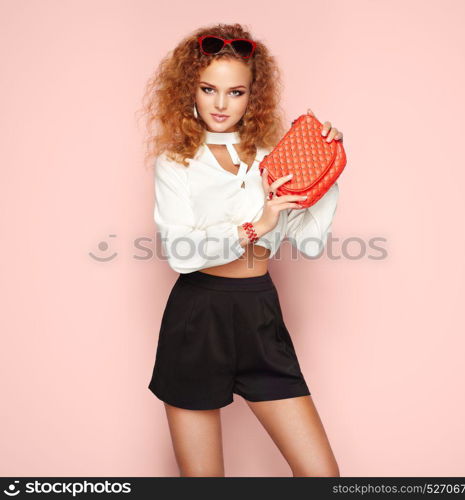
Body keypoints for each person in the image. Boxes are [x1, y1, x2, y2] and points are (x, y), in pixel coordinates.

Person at [141, 23, 344, 477]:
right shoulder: (175, 163)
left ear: (253, 96)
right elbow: (180, 252)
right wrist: (257, 225)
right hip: (198, 316)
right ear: (189, 90)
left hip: (260, 313)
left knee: (321, 476)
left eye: (236, 92)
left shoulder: (276, 156)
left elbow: (308, 243)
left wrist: (327, 172)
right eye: (208, 88)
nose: (220, 103)